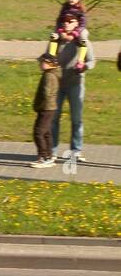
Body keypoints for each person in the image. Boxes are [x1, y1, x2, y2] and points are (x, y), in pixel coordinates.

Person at [49, 14, 94, 161]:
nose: (67, 23)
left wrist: (84, 67)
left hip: (75, 84)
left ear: (77, 23)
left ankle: (76, 150)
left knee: (76, 118)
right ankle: (52, 150)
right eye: (64, 21)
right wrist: (47, 63)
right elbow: (46, 57)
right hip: (58, 84)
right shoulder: (56, 39)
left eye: (70, 21)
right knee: (54, 118)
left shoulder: (81, 41)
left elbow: (92, 61)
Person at [28, 50, 61, 169]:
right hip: (50, 108)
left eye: (41, 62)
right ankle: (49, 155)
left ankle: (44, 158)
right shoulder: (52, 74)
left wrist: (39, 105)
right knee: (46, 133)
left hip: (46, 108)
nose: (39, 64)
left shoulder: (48, 76)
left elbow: (46, 93)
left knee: (38, 132)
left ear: (49, 63)